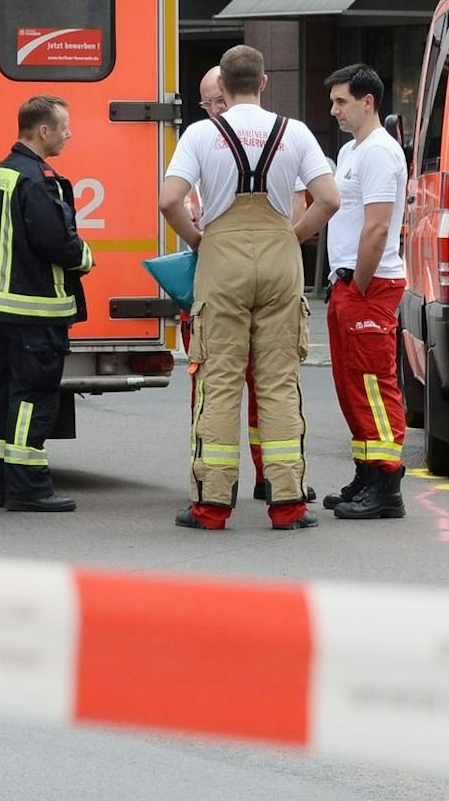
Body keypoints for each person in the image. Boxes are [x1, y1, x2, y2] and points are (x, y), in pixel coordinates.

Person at [161, 46, 338, 531]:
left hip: (222, 261)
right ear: (263, 82)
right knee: (279, 383)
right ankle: (288, 504)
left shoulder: (201, 133)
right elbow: (329, 198)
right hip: (281, 261)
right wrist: (291, 236)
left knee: (218, 381)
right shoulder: (295, 132)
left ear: (224, 87)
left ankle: (211, 506)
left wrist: (201, 239)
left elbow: (169, 200)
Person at [0, 95, 95, 512]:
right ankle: (29, 488)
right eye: (63, 127)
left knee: (4, 394)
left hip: (2, 310)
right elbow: (55, 240)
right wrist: (85, 257)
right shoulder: (39, 179)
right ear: (43, 131)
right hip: (35, 309)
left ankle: (1, 485)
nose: (68, 134)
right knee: (33, 397)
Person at [321, 64, 411, 520]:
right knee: (352, 384)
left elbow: (377, 228)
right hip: (352, 282)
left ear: (367, 101)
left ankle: (386, 485)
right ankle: (366, 472)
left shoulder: (378, 152)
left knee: (374, 384)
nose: (334, 109)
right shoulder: (354, 151)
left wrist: (358, 286)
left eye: (341, 101)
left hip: (369, 284)